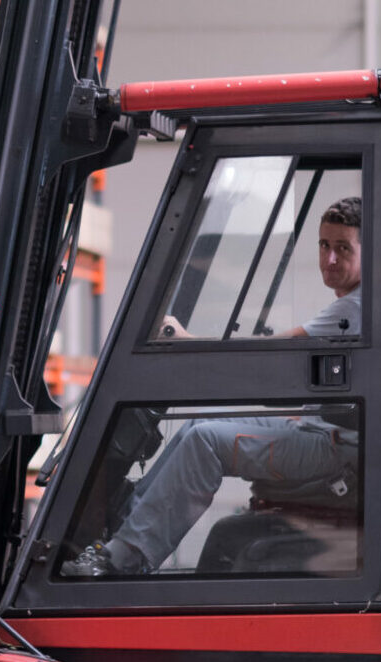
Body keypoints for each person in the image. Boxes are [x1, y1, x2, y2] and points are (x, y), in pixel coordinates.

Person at [63, 197, 365, 577]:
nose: (330, 259)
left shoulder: (353, 310)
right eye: (324, 245)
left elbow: (275, 355)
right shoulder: (361, 305)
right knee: (202, 423)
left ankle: (123, 559)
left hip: (336, 453)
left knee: (206, 441)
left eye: (343, 249)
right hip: (327, 432)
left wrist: (185, 341)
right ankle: (128, 528)